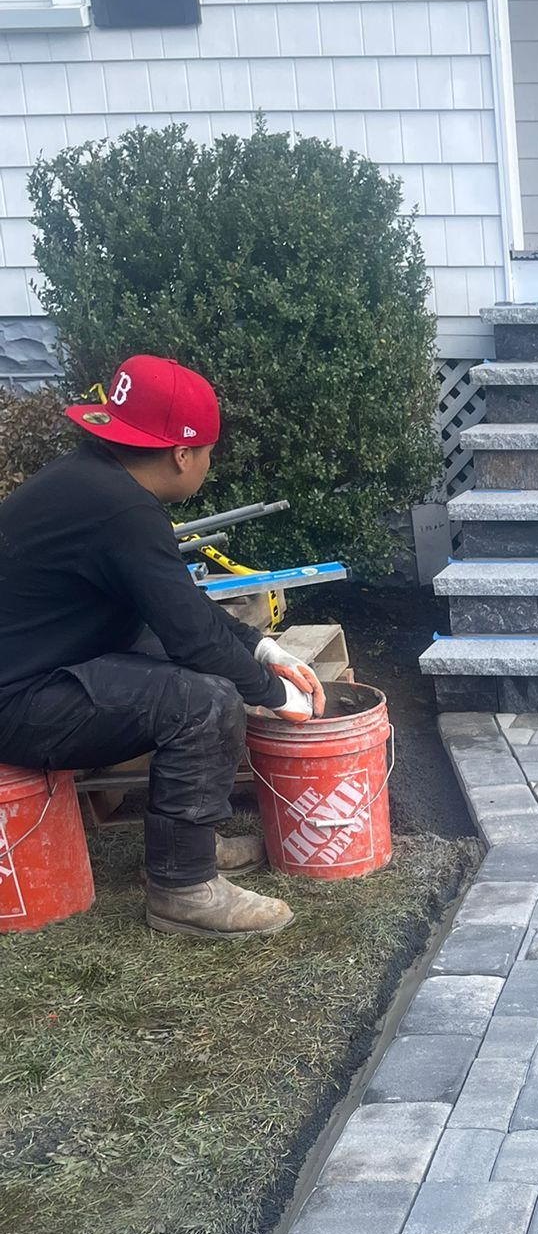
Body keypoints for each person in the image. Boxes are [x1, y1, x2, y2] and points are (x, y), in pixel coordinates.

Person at [0, 355, 325, 939]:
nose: (206, 463)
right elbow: (192, 638)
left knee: (190, 668)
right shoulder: (122, 511)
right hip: (17, 704)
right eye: (207, 453)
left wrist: (258, 649)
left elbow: (175, 605)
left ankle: (190, 844)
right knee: (203, 702)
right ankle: (183, 887)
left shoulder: (89, 479)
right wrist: (276, 697)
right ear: (182, 454)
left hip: (36, 666)